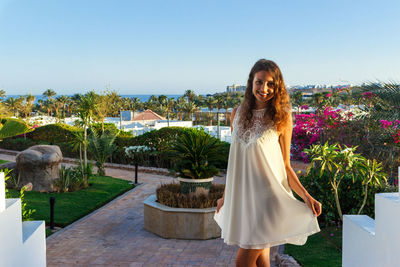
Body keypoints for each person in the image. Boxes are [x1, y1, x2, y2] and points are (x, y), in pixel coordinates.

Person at [213, 59, 322, 267]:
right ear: (251, 83)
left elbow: (285, 165)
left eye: (271, 84)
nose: (264, 88)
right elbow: (235, 162)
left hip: (267, 200)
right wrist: (225, 197)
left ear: (277, 86)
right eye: (259, 82)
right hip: (244, 199)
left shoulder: (281, 118)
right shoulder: (237, 114)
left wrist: (307, 196)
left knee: (242, 262)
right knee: (262, 259)